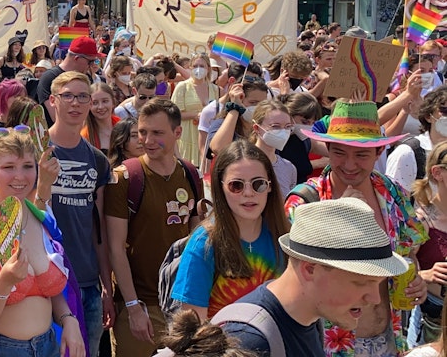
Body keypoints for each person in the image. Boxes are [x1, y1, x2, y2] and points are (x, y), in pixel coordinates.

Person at [287, 100, 429, 357]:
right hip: (327, 345)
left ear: (379, 153)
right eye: (340, 152)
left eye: (361, 154)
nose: (350, 164)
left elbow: (409, 253)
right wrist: (337, 217)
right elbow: (293, 276)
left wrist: (416, 280)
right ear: (327, 149)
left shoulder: (393, 193)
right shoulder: (306, 200)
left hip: (390, 339)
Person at [219, 197, 411, 356]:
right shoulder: (247, 340)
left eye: (378, 283)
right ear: (310, 269)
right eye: (361, 282)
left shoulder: (310, 319)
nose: (375, 298)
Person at [0, 125, 84, 357]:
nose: (20, 176)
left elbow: (49, 287)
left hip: (49, 346)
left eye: (27, 166)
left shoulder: (37, 213)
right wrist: (4, 283)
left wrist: (68, 319)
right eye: (8, 167)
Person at [105, 98, 206, 357]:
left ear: (177, 133)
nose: (147, 140)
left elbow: (196, 239)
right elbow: (115, 248)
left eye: (157, 133)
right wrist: (132, 307)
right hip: (140, 306)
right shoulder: (124, 177)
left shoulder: (191, 174)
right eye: (142, 132)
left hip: (181, 304)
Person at [171, 140, 289, 320]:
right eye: (236, 185)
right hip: (220, 346)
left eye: (258, 184)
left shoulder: (284, 235)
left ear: (270, 186)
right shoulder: (203, 244)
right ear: (220, 187)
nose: (248, 193)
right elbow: (195, 329)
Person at [47, 71, 113, 357]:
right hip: (49, 282)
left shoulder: (97, 160)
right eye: (68, 96)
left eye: (82, 96)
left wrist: (107, 288)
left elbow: (99, 230)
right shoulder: (36, 152)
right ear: (53, 101)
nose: (75, 103)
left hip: (88, 282)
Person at [408, 142, 447, 348]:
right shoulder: (422, 220)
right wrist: (425, 275)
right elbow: (401, 267)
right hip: (432, 318)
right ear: (438, 173)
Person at [37, 36, 100, 126]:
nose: (92, 66)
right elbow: (56, 116)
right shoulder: (49, 78)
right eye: (90, 62)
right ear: (77, 58)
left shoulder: (86, 77)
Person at [171, 53, 217, 166]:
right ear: (190, 67)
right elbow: (173, 114)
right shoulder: (182, 87)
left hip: (206, 136)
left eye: (202, 66)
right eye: (195, 66)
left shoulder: (215, 89)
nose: (198, 69)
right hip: (187, 136)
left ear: (208, 69)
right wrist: (195, 115)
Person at [249, 100, 298, 197]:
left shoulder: (289, 168)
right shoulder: (242, 163)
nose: (283, 132)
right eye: (275, 126)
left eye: (287, 127)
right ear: (257, 128)